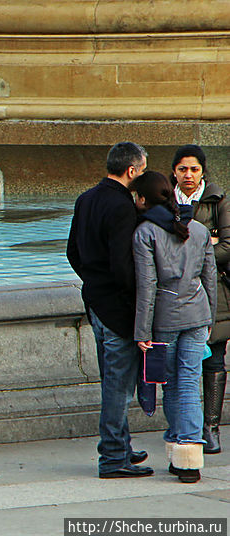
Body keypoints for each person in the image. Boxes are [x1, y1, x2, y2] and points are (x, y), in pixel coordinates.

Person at [66, 141, 153, 478]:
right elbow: (123, 266)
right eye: (143, 171)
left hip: (95, 302)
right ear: (131, 171)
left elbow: (72, 251)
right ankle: (113, 457)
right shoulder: (122, 207)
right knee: (118, 386)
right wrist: (137, 305)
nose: (143, 178)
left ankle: (123, 446)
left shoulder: (85, 198)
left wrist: (92, 281)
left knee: (112, 381)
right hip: (117, 309)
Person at [132, 170, 216, 483]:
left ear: (144, 199)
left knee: (170, 383)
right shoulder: (197, 229)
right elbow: (209, 278)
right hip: (198, 315)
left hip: (164, 319)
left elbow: (147, 286)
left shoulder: (145, 233)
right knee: (190, 382)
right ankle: (189, 452)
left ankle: (180, 443)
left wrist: (142, 331)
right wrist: (210, 318)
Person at [170, 144, 230, 454]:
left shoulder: (219, 200)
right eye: (182, 169)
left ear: (203, 171)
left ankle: (211, 427)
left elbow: (229, 247)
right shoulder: (165, 200)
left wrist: (192, 253)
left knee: (215, 357)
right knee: (181, 362)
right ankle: (185, 425)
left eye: (194, 169)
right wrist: (209, 240)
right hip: (176, 294)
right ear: (174, 172)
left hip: (214, 291)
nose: (188, 175)